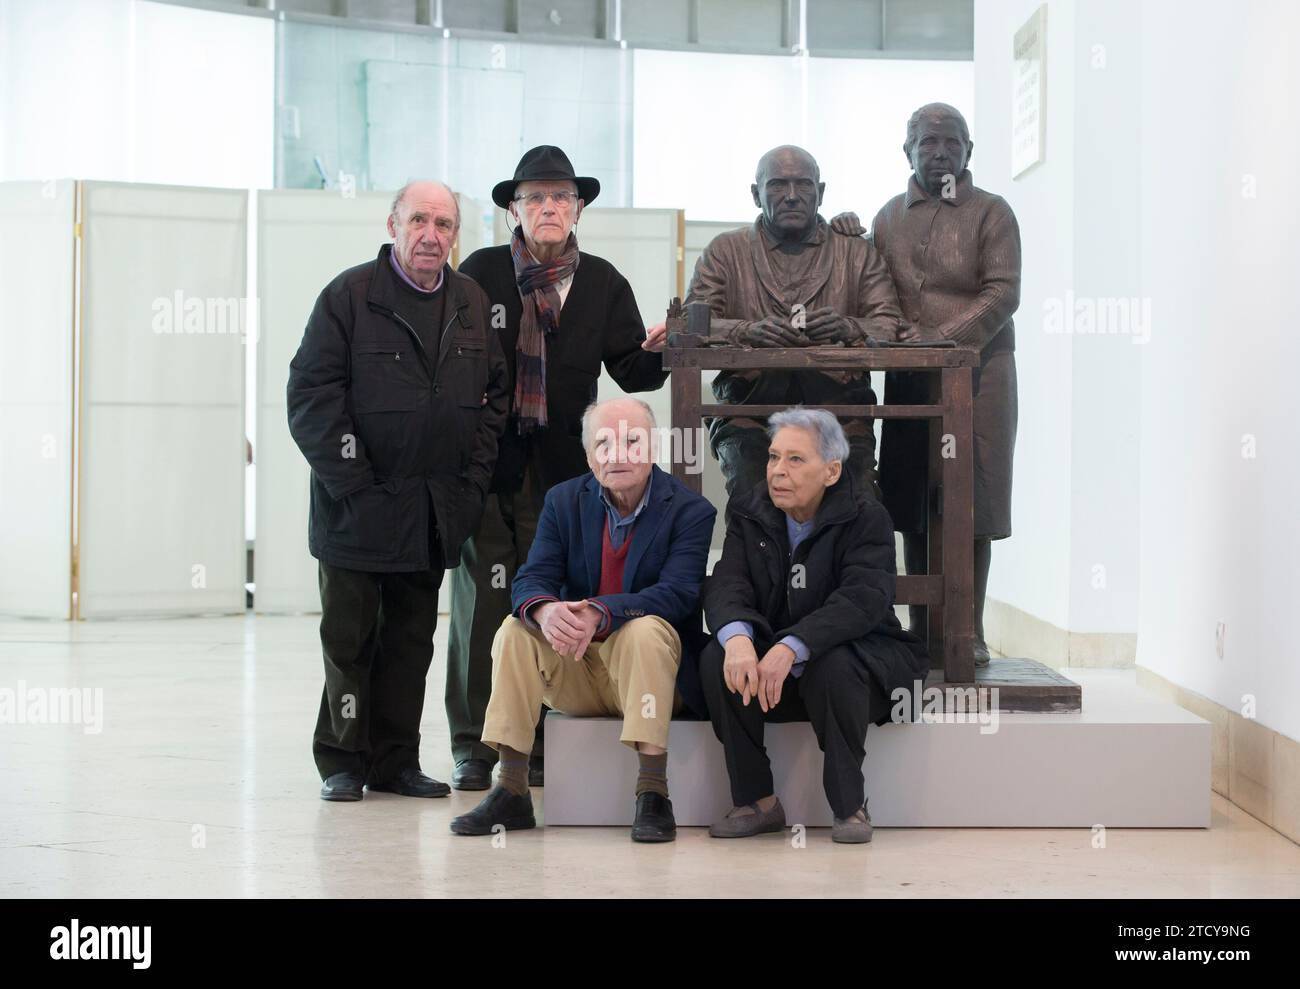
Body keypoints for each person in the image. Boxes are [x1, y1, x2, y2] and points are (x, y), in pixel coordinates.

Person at [448, 146, 671, 791]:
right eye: (535, 198)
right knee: (485, 605)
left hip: (564, 477)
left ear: (578, 210)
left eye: (561, 198)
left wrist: (663, 347)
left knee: (553, 602)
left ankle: (539, 739)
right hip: (489, 465)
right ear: (514, 210)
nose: (548, 208)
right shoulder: (483, 272)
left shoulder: (603, 281)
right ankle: (474, 744)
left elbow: (630, 368)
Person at [287, 180, 509, 802]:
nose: (431, 235)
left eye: (444, 224)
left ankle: (395, 761)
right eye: (419, 220)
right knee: (350, 640)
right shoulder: (350, 296)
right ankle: (342, 759)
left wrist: (470, 484)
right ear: (393, 225)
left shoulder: (469, 300)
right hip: (355, 508)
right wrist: (352, 482)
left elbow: (494, 397)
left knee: (412, 642)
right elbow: (310, 394)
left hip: (433, 509)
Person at [450, 398, 715, 842]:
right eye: (604, 444)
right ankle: (512, 788)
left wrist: (600, 611)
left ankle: (653, 793)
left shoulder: (690, 511)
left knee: (646, 628)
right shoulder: (563, 501)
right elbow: (532, 578)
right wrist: (547, 609)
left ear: (652, 448)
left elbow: (679, 594)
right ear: (590, 456)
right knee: (516, 629)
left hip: (650, 678)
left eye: (632, 441)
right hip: (581, 671)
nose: (618, 454)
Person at [831, 103, 1021, 664]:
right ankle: (921, 628)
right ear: (907, 150)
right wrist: (847, 234)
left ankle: (967, 629)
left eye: (952, 142)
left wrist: (945, 341)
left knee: (970, 503)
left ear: (969, 150)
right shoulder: (889, 216)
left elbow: (1003, 291)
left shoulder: (993, 212)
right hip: (912, 377)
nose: (940, 151)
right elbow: (871, 285)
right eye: (928, 141)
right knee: (912, 497)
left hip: (982, 375)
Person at [700, 407, 928, 843]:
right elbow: (728, 583)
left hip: (859, 664)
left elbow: (861, 600)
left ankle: (849, 806)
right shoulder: (749, 510)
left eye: (795, 460)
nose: (777, 471)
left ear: (831, 470)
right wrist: (739, 640)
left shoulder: (866, 516)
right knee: (717, 657)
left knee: (834, 664)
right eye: (772, 457)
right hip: (774, 676)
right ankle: (757, 801)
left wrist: (793, 645)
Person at [685, 144, 902, 502]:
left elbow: (889, 324)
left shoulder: (856, 253)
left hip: (839, 410)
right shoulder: (725, 252)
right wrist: (745, 331)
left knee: (856, 497)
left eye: (803, 185)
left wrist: (848, 327)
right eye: (777, 185)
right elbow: (693, 324)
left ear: (821, 193)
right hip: (749, 410)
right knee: (751, 497)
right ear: (756, 194)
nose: (790, 196)